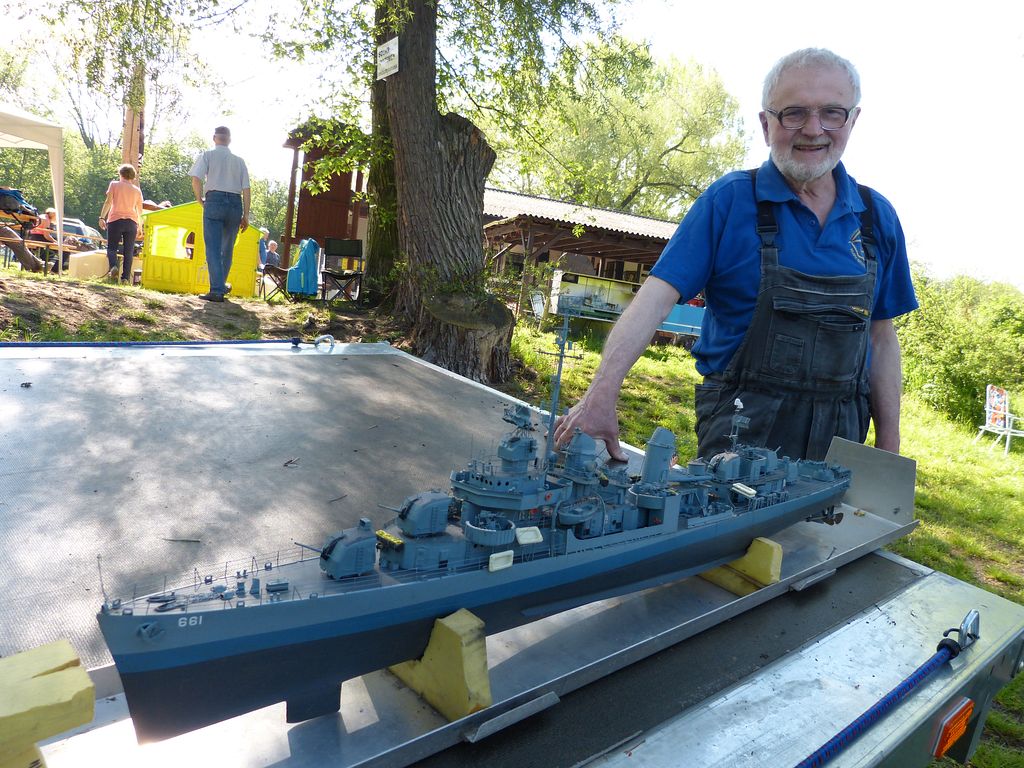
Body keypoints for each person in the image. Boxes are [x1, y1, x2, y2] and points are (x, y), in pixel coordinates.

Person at [553, 48, 918, 463]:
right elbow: (654, 300)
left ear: (852, 120)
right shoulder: (729, 201)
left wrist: (888, 451)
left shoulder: (876, 218)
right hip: (741, 432)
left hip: (841, 441)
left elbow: (881, 337)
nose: (813, 129)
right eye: (794, 113)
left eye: (832, 113)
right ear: (766, 124)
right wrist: (600, 395)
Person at [190, 126, 250, 302]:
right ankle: (220, 286)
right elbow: (246, 189)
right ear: (229, 140)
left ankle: (217, 290)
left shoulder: (207, 155)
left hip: (214, 201)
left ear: (214, 138)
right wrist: (246, 215)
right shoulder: (239, 161)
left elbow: (196, 179)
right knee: (227, 249)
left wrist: (199, 199)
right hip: (235, 204)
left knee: (213, 248)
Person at [98, 164, 144, 282]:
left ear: (120, 174)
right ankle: (125, 278)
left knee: (112, 248)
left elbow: (108, 202)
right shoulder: (137, 191)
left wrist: (102, 217)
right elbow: (139, 210)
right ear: (132, 176)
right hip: (131, 222)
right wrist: (140, 226)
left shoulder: (114, 185)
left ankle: (114, 267)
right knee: (128, 251)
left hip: (115, 220)